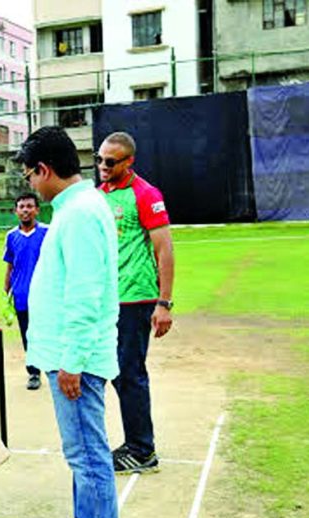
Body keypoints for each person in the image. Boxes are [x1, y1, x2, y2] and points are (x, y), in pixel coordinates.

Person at [17, 127, 120, 518]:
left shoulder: (78, 213)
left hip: (75, 356)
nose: (30, 186)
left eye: (29, 175)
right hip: (68, 352)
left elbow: (85, 293)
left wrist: (72, 362)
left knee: (87, 453)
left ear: (44, 170)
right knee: (81, 451)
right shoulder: (75, 207)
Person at [96, 131, 174, 474]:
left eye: (110, 162)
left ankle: (143, 450)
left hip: (136, 299)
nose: (102, 166)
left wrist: (164, 303)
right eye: (99, 160)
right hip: (107, 299)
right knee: (114, 373)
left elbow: (164, 250)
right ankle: (135, 443)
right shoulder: (99, 195)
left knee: (129, 374)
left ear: (129, 162)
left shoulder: (145, 194)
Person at [3, 193, 48, 390]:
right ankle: (34, 373)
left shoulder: (48, 231)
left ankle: (57, 369)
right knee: (28, 335)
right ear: (15, 211)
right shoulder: (11, 236)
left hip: (46, 295)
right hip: (22, 294)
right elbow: (10, 264)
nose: (25, 210)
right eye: (21, 207)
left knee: (49, 332)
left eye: (30, 206)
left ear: (37, 210)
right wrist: (7, 288)